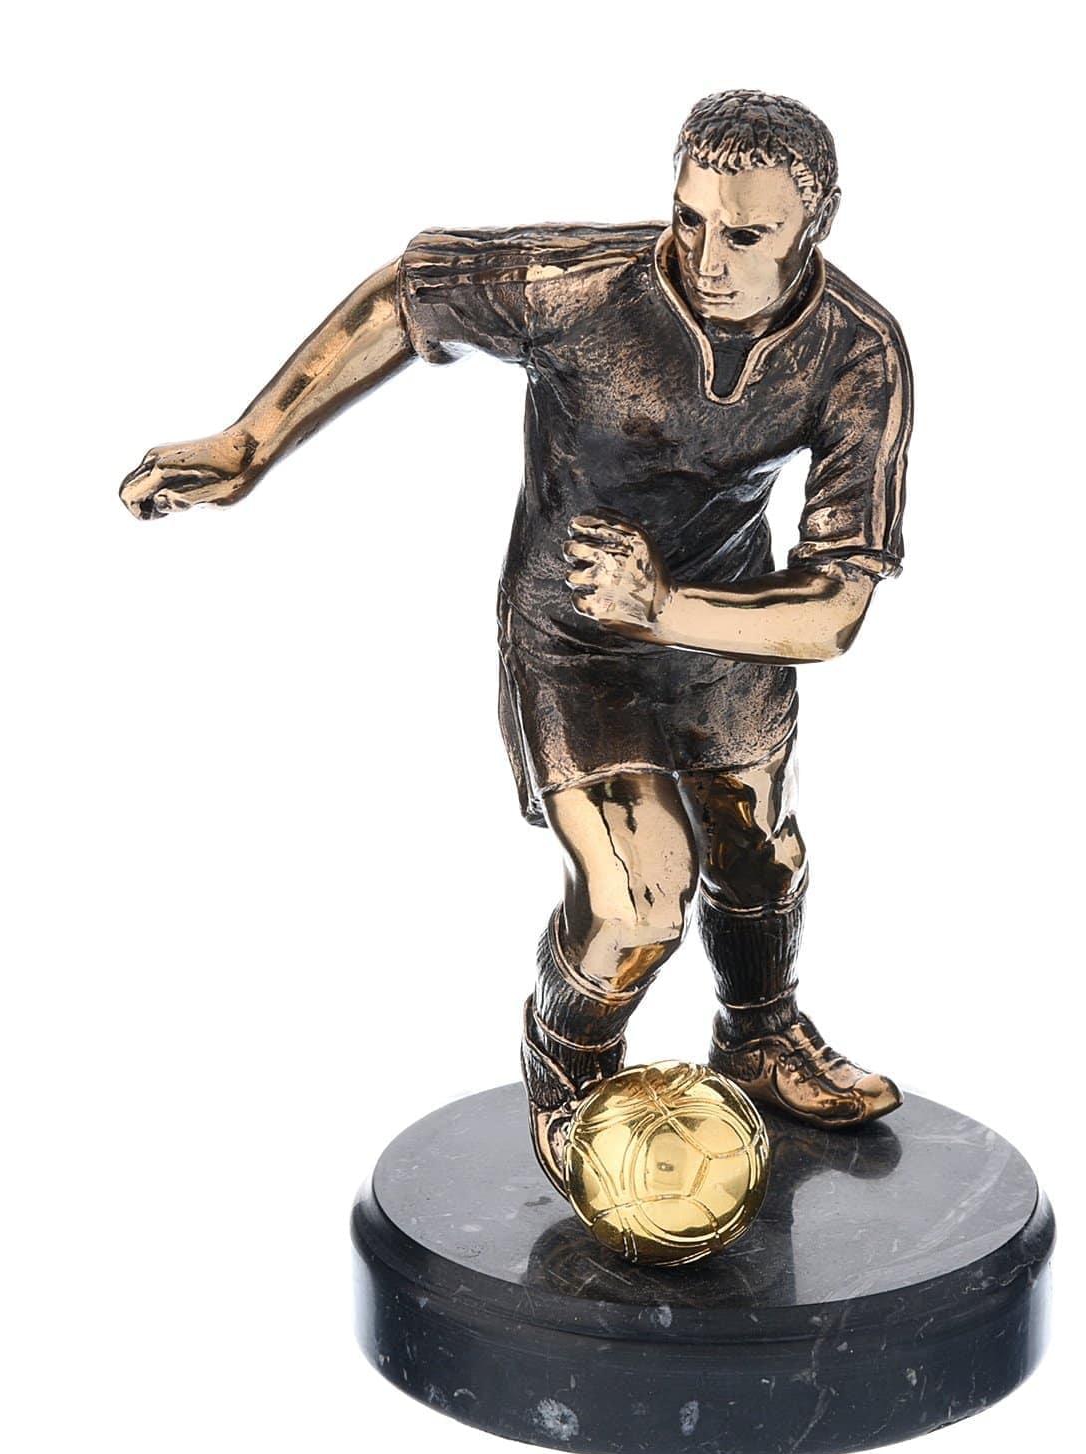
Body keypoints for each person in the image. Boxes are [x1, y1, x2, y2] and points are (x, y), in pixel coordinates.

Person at [120, 89, 914, 1193]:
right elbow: (409, 294)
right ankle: (567, 1071)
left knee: (759, 851)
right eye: (689, 219)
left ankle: (760, 1035)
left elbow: (832, 611)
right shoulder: (581, 287)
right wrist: (249, 442)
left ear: (813, 225)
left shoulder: (859, 351)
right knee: (642, 896)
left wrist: (666, 607)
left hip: (727, 627)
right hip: (574, 637)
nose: (705, 258)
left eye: (745, 235)